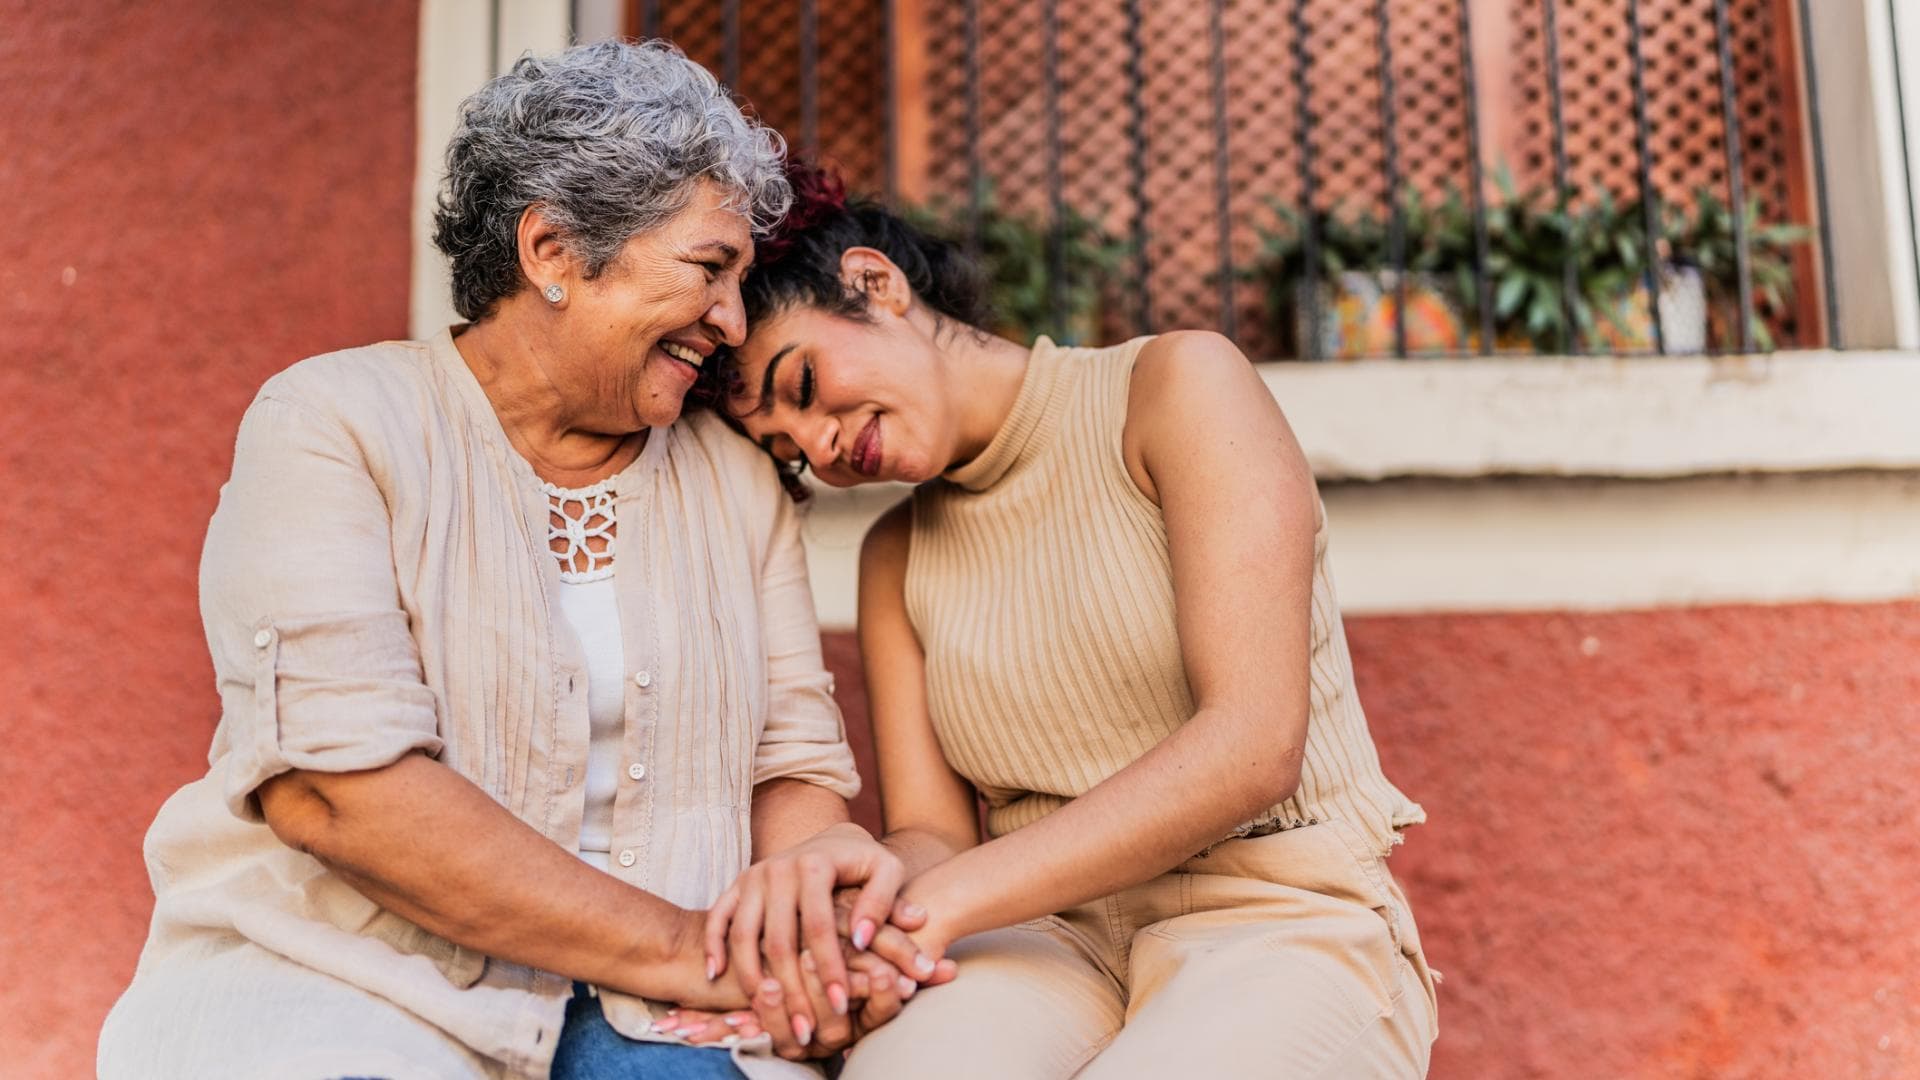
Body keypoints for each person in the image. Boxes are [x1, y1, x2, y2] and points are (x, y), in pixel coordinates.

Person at [97, 44, 935, 1080]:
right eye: (709, 270)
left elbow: (792, 766)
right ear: (553, 251)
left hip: (662, 1010)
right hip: (355, 982)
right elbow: (339, 792)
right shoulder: (334, 424)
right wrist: (687, 950)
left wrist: (808, 901)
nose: (731, 322)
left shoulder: (730, 478)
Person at [699, 166, 1440, 1078]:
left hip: (1280, 914)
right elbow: (935, 834)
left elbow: (1252, 745)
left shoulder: (1174, 387)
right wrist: (858, 915)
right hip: (1040, 942)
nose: (815, 445)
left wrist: (929, 909)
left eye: (803, 384)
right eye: (783, 446)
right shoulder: (894, 557)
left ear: (874, 284)